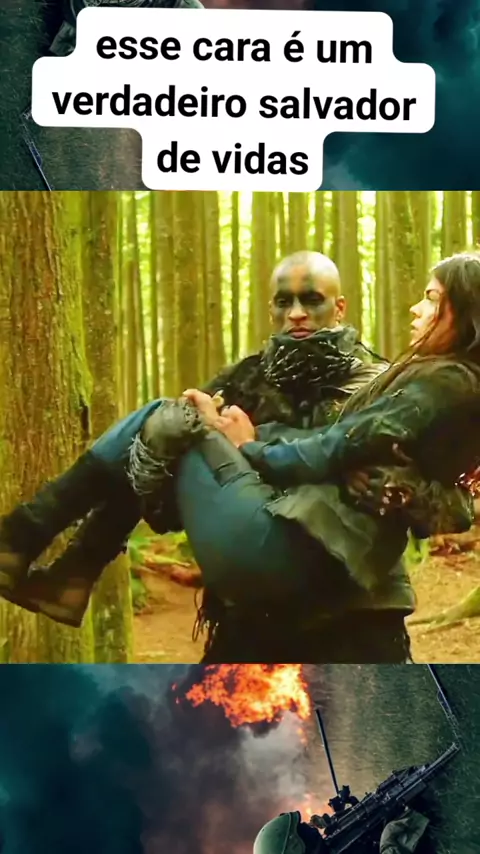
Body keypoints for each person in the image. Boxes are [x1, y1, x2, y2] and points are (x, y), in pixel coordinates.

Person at [0, 253, 470, 662]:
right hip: (253, 617)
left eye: (312, 300)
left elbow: (454, 505)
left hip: (356, 613)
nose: (297, 313)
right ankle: (71, 564)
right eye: (284, 302)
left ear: (339, 306)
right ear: (271, 309)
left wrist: (400, 491)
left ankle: (45, 550)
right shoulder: (241, 383)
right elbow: (167, 484)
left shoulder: (384, 382)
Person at [252, 809, 431, 854]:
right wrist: (388, 843)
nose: (307, 825)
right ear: (295, 847)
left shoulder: (329, 845)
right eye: (301, 829)